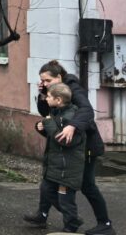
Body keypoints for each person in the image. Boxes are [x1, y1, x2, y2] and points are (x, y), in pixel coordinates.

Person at [24, 60, 115, 235]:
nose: (44, 83)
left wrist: (72, 126)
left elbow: (87, 111)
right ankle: (42, 215)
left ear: (59, 77)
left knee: (88, 186)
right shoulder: (55, 93)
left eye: (47, 81)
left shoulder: (73, 88)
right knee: (49, 178)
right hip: (66, 147)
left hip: (85, 147)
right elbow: (46, 114)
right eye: (42, 81)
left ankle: (105, 224)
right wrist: (43, 94)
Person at [32, 83, 87, 232]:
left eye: (48, 97)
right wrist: (41, 127)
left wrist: (48, 123)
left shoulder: (70, 117)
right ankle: (71, 219)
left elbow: (64, 141)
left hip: (67, 167)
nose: (46, 99)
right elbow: (54, 134)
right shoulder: (58, 112)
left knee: (65, 199)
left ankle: (71, 224)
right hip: (57, 165)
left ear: (58, 100)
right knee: (46, 189)